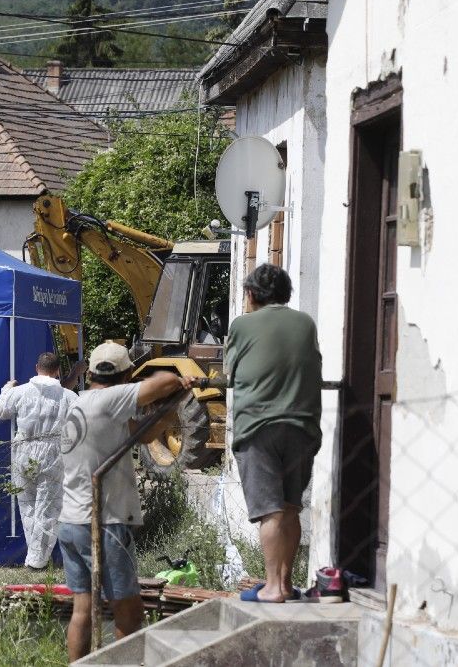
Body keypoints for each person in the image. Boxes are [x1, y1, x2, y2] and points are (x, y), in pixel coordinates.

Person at [58, 342, 190, 661]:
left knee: (83, 609)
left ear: (89, 373)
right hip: (105, 522)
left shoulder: (81, 402)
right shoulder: (112, 398)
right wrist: (180, 380)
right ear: (127, 374)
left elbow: (140, 434)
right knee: (128, 613)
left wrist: (168, 411)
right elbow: (166, 381)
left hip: (72, 521)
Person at [204, 264, 322, 603]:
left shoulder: (242, 325)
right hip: (302, 426)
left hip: (258, 427)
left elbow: (230, 370)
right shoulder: (305, 323)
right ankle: (286, 583)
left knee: (270, 511)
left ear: (251, 295)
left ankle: (271, 587)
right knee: (289, 508)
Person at [0, 352, 79, 570]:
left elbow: (0, 411)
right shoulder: (69, 397)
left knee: (27, 504)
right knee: (48, 507)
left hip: (23, 449)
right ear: (58, 370)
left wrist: (6, 390)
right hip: (53, 452)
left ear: (36, 367)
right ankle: (37, 560)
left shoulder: (20, 392)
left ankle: (36, 559)